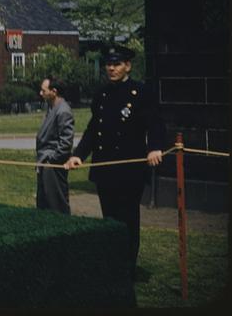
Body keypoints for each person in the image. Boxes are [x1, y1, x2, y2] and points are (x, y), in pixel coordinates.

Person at [64, 43, 165, 280]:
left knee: (128, 220)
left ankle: (127, 269)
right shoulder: (102, 95)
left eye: (116, 64)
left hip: (129, 170)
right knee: (109, 219)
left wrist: (155, 148)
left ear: (127, 66)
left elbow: (156, 123)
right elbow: (93, 130)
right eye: (108, 64)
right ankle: (113, 265)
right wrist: (78, 154)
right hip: (105, 170)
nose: (111, 68)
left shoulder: (140, 93)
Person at [35, 76, 74, 214]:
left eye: (43, 90)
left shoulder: (63, 111)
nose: (41, 93)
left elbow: (66, 142)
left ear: (54, 91)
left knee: (56, 204)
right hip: (45, 163)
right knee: (43, 203)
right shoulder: (51, 107)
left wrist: (51, 161)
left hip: (53, 166)